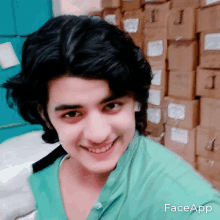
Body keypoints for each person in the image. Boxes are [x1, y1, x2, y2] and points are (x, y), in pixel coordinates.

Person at [2, 15, 220, 220]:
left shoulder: (180, 196)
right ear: (45, 115)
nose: (98, 134)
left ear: (135, 100)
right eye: (72, 114)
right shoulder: (43, 176)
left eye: (111, 105)